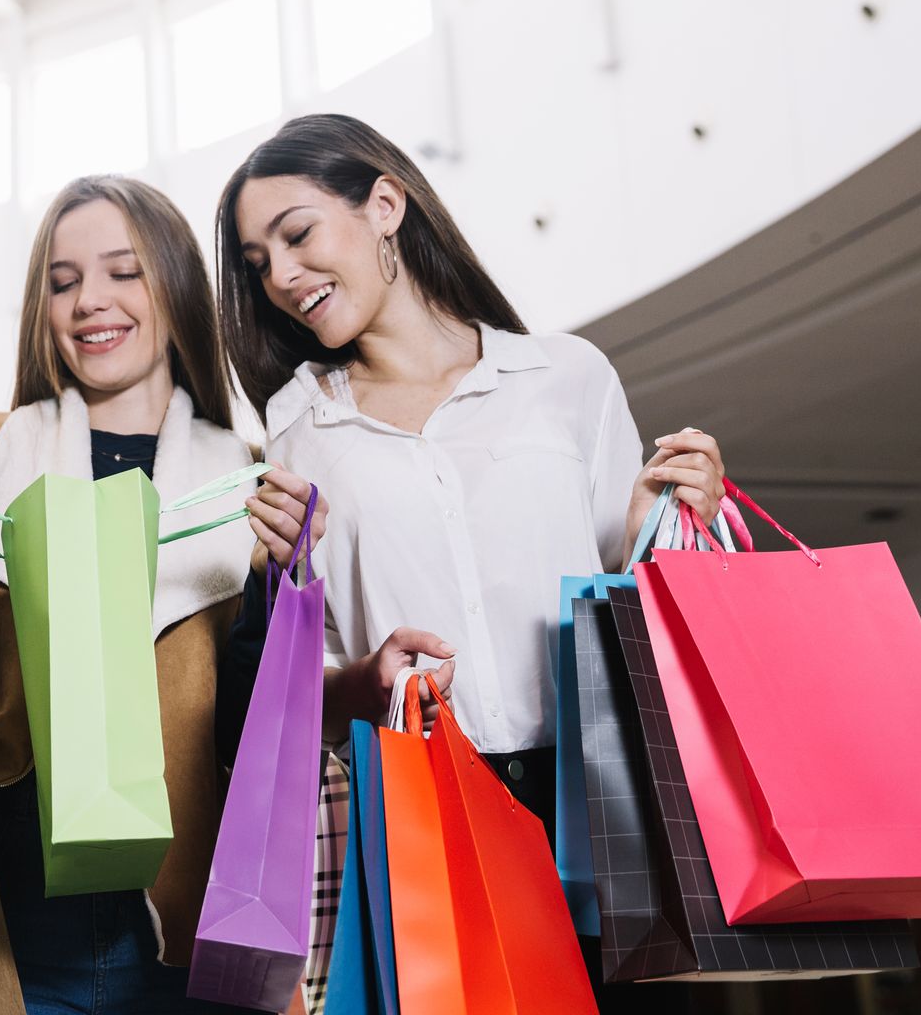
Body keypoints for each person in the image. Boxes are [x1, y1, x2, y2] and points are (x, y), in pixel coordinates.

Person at [214, 113, 726, 829]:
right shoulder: (299, 432)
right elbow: (307, 687)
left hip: (608, 800)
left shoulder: (566, 376)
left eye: (297, 235)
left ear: (386, 206)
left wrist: (666, 527)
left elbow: (641, 611)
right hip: (426, 814)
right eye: (258, 263)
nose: (281, 277)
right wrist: (365, 679)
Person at [0, 175, 325, 1015]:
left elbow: (259, 738)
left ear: (175, 284)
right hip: (9, 941)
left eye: (121, 272)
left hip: (193, 948)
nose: (88, 302)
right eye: (62, 282)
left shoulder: (250, 478)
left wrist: (289, 588)